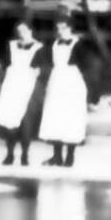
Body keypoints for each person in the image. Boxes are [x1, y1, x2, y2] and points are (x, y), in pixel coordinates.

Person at [0, 20, 44, 165]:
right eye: (19, 31)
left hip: (28, 87)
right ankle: (10, 154)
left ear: (31, 31)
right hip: (11, 86)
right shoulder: (12, 46)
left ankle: (25, 154)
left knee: (26, 122)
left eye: (24, 30)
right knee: (9, 121)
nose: (22, 34)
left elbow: (40, 68)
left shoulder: (38, 48)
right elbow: (3, 62)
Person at [38, 17, 91, 167]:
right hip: (56, 82)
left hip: (72, 83)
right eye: (58, 29)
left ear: (70, 29)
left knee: (71, 119)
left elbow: (87, 66)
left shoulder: (79, 45)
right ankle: (57, 156)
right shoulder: (54, 44)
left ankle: (70, 156)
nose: (60, 32)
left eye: (64, 28)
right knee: (55, 118)